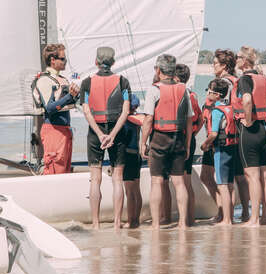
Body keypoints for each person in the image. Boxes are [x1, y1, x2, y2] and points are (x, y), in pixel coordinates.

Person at [140, 54, 193, 230]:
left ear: (159, 70)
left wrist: (143, 142)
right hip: (178, 137)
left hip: (160, 138)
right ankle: (182, 223)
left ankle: (155, 224)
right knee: (179, 182)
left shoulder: (154, 90)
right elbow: (188, 120)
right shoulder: (183, 89)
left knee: (157, 181)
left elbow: (148, 119)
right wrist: (186, 144)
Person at [80, 47, 131, 229]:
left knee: (95, 179)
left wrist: (100, 134)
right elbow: (125, 111)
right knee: (118, 178)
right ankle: (117, 223)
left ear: (96, 62)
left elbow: (86, 111)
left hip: (96, 133)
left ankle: (96, 223)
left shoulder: (86, 82)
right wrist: (113, 135)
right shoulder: (122, 81)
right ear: (114, 62)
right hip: (117, 132)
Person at [234, 45, 266, 226]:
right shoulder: (264, 79)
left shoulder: (245, 79)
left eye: (238, 56)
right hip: (264, 130)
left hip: (250, 131)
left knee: (252, 176)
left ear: (245, 60)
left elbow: (247, 100)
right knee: (265, 176)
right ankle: (265, 217)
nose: (236, 59)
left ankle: (254, 219)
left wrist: (248, 120)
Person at [212, 49, 250, 222]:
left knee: (224, 180)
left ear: (224, 66)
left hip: (224, 135)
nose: (212, 66)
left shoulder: (223, 83)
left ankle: (225, 216)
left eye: (214, 63)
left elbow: (222, 109)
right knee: (240, 177)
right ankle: (244, 213)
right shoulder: (238, 80)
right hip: (239, 134)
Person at [32, 44, 79, 175]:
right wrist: (70, 96)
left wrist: (76, 96)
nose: (65, 62)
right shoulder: (44, 80)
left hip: (65, 131)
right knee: (54, 170)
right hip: (53, 131)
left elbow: (70, 102)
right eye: (63, 59)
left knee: (64, 170)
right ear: (53, 60)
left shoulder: (63, 79)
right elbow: (50, 108)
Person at [200, 79, 237, 226]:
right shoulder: (230, 108)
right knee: (228, 184)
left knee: (222, 185)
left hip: (220, 150)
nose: (207, 93)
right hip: (231, 148)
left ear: (216, 94)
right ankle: (230, 218)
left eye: (209, 91)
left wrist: (205, 144)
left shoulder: (216, 111)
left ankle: (226, 220)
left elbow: (214, 133)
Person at [175, 63, 203, 226]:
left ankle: (186, 219)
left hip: (182, 140)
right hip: (189, 139)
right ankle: (189, 219)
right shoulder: (192, 95)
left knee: (184, 181)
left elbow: (197, 120)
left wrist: (191, 135)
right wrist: (194, 134)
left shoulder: (186, 95)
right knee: (186, 180)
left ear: (177, 78)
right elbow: (200, 119)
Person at [123, 94, 144, 228]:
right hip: (137, 156)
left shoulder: (125, 120)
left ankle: (130, 221)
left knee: (129, 191)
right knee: (136, 190)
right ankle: (136, 219)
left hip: (127, 156)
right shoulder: (137, 118)